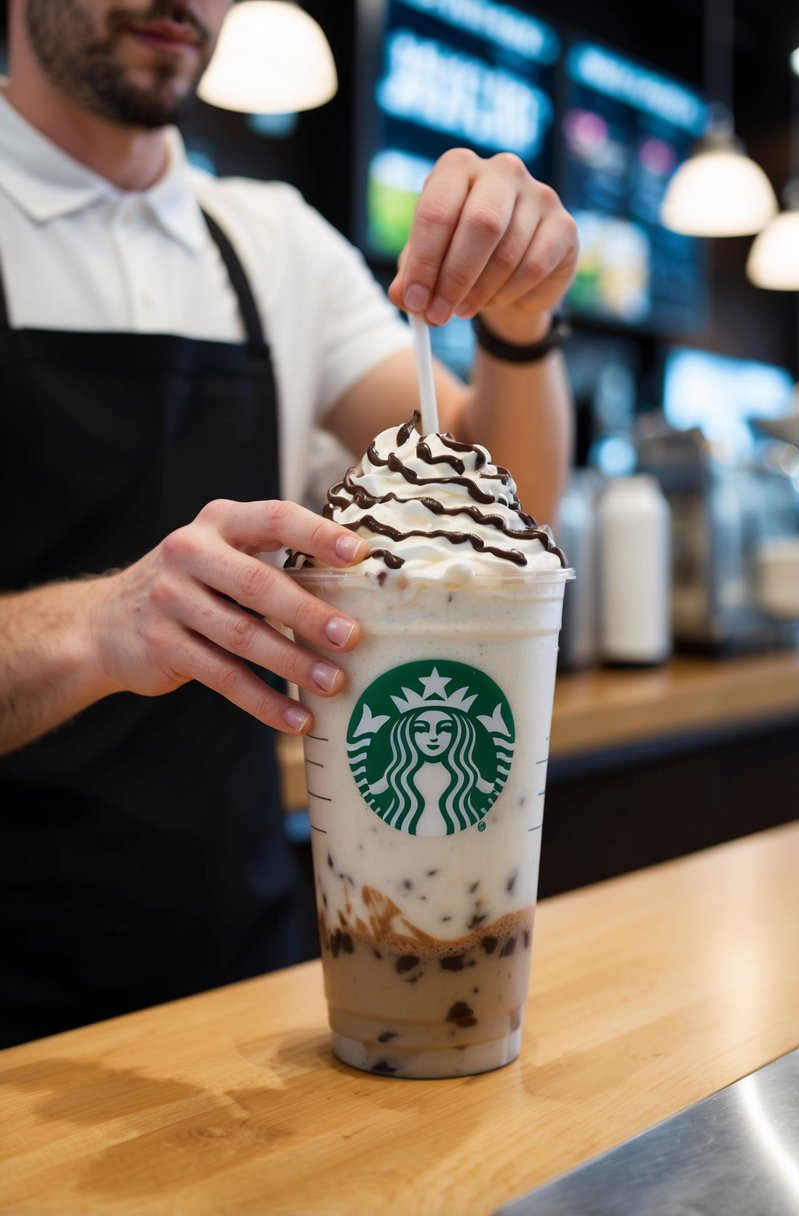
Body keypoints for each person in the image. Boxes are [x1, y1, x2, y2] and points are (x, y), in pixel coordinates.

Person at [0, 0, 579, 1047]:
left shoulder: (270, 240)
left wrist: (520, 318)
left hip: (247, 973)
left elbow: (507, 504)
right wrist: (96, 626)